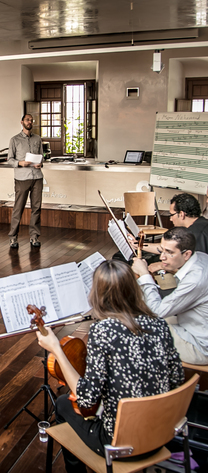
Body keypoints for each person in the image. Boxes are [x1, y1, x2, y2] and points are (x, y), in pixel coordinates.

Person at [37, 260, 184, 473]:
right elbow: (177, 378)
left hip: (120, 445)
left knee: (62, 404)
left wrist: (57, 351)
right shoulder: (159, 324)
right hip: (161, 434)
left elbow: (86, 398)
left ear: (97, 293)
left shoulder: (102, 331)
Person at [132, 227, 208, 365]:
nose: (162, 257)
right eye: (162, 250)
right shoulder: (201, 257)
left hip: (200, 346)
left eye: (169, 252)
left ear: (186, 254)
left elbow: (156, 312)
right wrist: (169, 267)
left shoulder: (195, 279)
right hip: (192, 324)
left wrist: (144, 275)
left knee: (139, 327)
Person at [129, 193, 208, 272]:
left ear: (181, 214)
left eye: (171, 215)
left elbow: (193, 270)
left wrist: (161, 266)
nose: (170, 219)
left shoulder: (196, 235)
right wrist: (139, 245)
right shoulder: (202, 223)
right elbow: (170, 247)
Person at [7, 114, 43, 249]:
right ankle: (13, 238)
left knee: (36, 208)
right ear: (22, 122)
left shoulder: (37, 139)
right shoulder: (14, 140)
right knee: (18, 208)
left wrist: (40, 164)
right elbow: (10, 160)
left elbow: (42, 157)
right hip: (22, 178)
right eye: (27, 120)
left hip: (37, 178)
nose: (30, 122)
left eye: (31, 120)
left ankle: (34, 237)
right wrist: (20, 163)